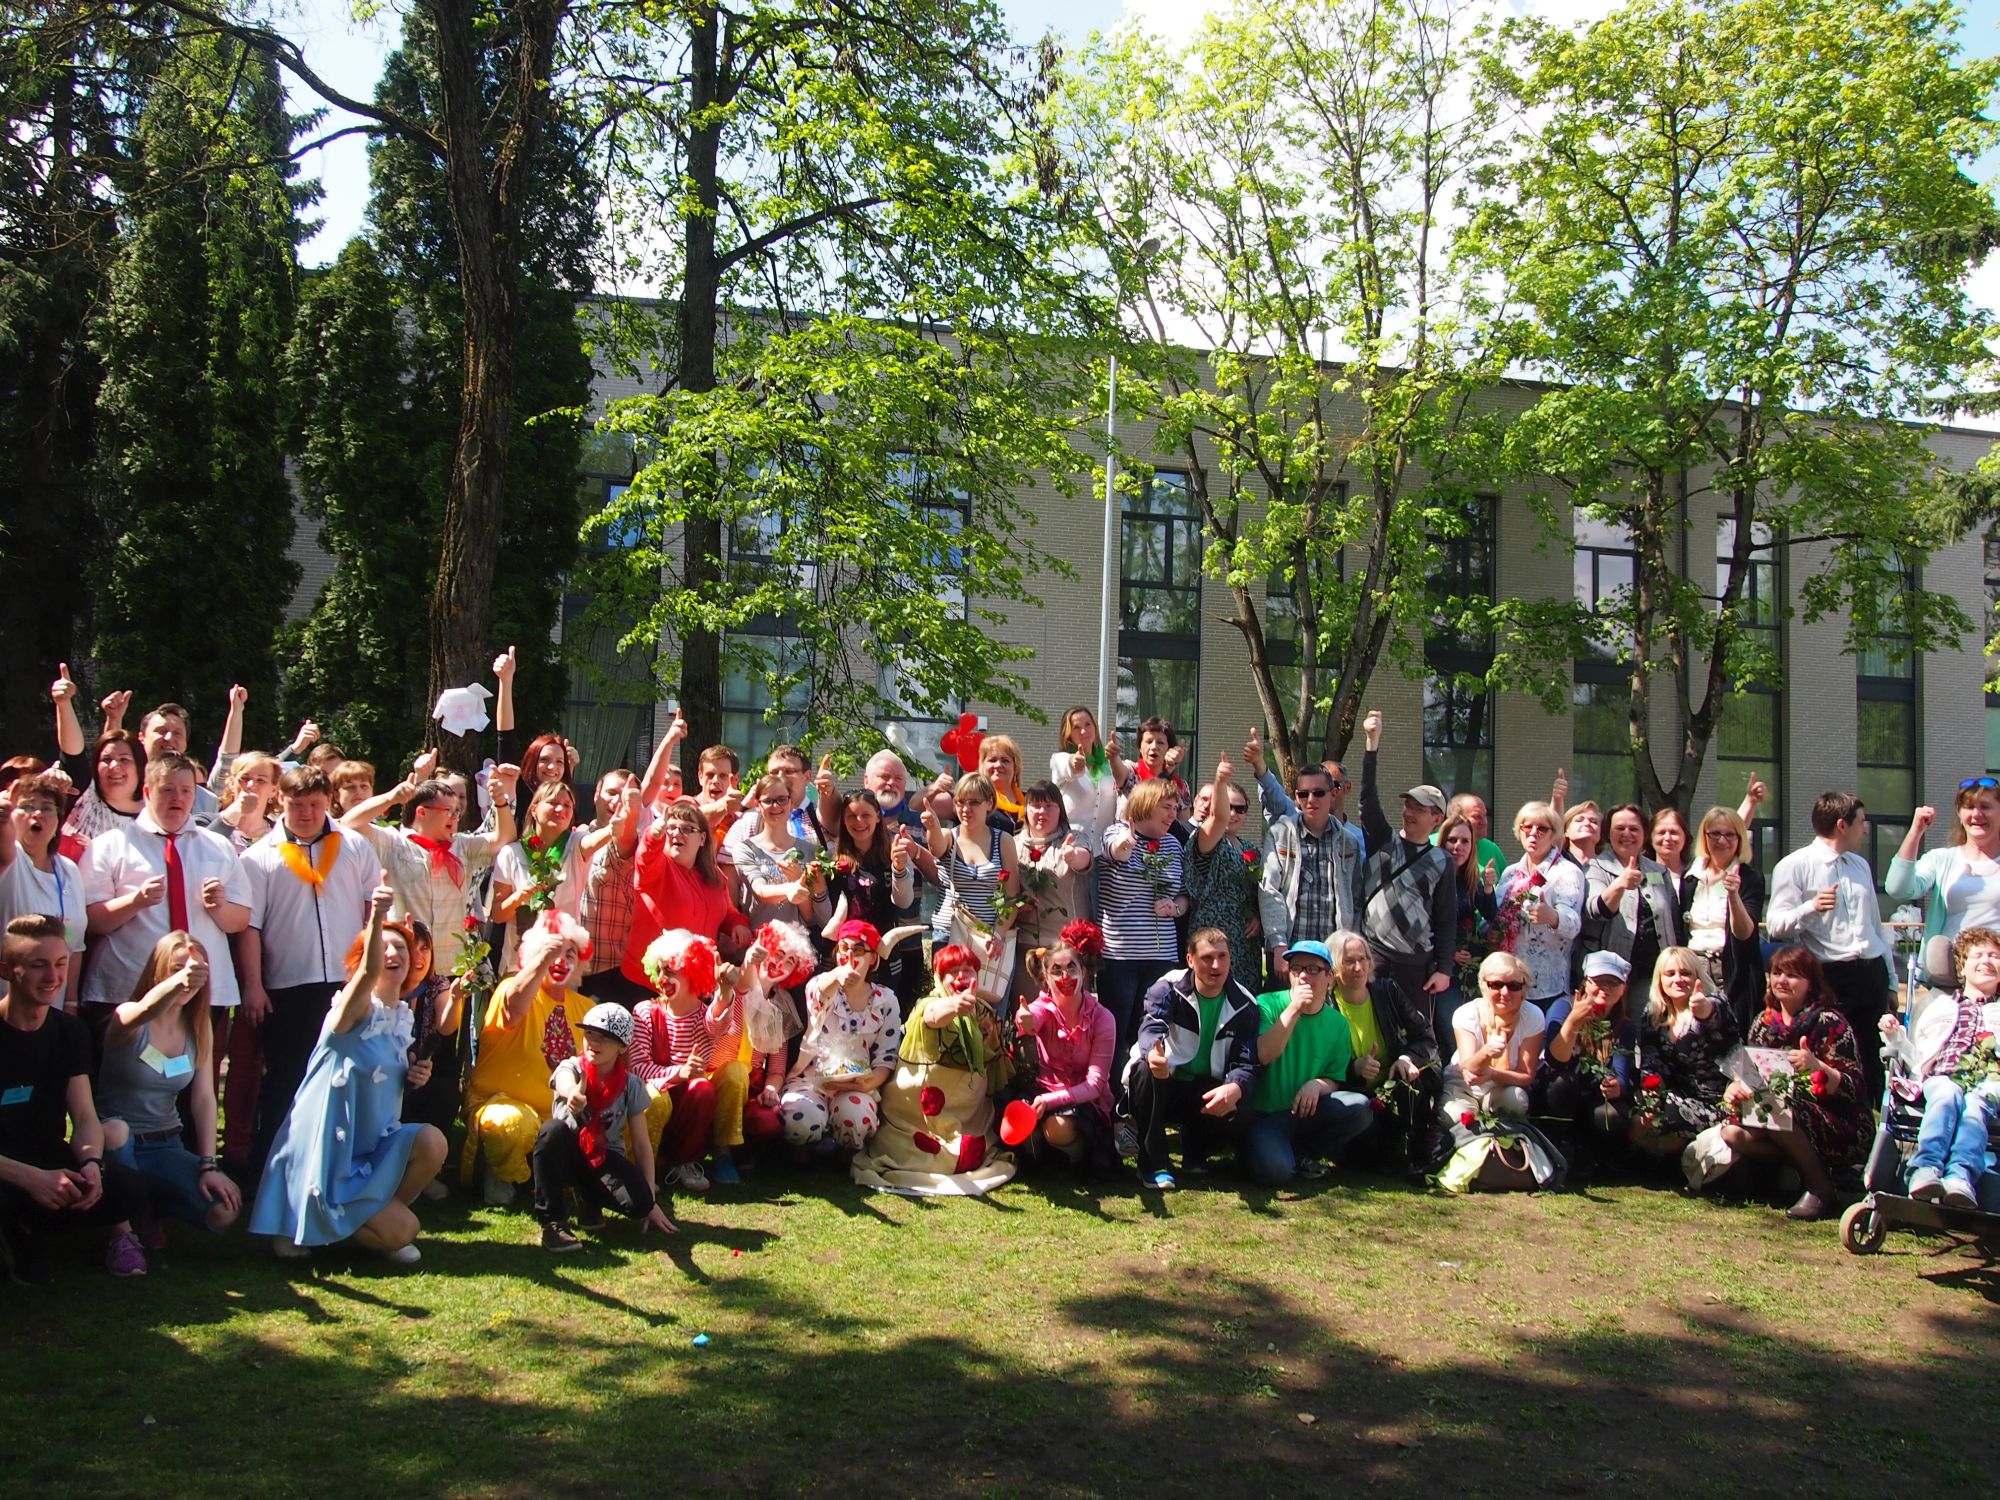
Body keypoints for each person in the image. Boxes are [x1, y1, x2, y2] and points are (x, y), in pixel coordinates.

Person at [249, 887, 447, 1263]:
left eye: (401, 948)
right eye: (383, 947)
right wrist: (378, 916)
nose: (393, 954)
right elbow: (369, 974)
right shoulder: (350, 1010)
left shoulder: (401, 1017)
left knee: (432, 1142)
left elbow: (383, 1077)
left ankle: (359, 1221)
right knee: (403, 1231)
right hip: (328, 1155)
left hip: (369, 1152)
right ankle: (310, 1221)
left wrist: (415, 1075)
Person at [235, 764, 385, 1172]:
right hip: (288, 984)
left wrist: (373, 974)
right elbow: (250, 927)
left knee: (348, 1075)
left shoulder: (354, 846)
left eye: (315, 805)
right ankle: (273, 1168)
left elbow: (373, 909)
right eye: (297, 805)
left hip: (347, 983)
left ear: (329, 801)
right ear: (280, 801)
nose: (306, 814)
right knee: (286, 1078)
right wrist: (253, 985)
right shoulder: (259, 857)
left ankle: (343, 1166)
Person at [0, 915, 146, 1280]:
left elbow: (84, 1117)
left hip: (47, 1161)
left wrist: (92, 1164)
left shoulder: (70, 1032)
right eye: (39, 965)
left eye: (60, 964)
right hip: (7, 1169)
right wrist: (31, 1179)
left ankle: (29, 1233)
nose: (53, 977)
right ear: (8, 970)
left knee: (127, 1188)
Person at [81, 752, 251, 1025]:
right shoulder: (111, 844)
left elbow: (240, 920)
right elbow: (91, 921)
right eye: (168, 790)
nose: (178, 798)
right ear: (147, 792)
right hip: (130, 988)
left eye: (186, 791)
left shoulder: (218, 846)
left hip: (203, 990)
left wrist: (220, 908)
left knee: (197, 1054)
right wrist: (135, 902)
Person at [97, 933, 241, 1241]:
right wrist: (179, 982)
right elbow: (147, 1009)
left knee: (224, 1210)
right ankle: (123, 1232)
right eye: (177, 969)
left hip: (165, 1143)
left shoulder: (198, 1026)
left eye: (196, 971)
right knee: (116, 1131)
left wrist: (208, 1164)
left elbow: (204, 1099)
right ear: (157, 972)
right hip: (118, 1143)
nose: (188, 979)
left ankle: (148, 1208)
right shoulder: (128, 1015)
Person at [850, 942, 1016, 1196]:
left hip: (964, 1106)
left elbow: (991, 1057)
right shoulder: (928, 1003)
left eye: (968, 970)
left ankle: (957, 1151)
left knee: (972, 1142)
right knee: (915, 1145)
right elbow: (933, 1016)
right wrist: (955, 1006)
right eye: (953, 972)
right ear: (939, 977)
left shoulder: (984, 1010)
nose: (961, 977)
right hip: (918, 1107)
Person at [339, 749, 520, 981]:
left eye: (457, 812)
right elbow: (348, 824)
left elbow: (504, 838)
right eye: (448, 811)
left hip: (452, 969)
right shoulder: (395, 844)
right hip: (407, 968)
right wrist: (391, 798)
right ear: (422, 812)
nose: (455, 817)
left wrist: (501, 803)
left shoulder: (463, 846)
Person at [1766, 792, 1894, 1101]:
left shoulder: (1860, 865)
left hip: (1871, 970)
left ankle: (1872, 1121)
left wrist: (1890, 979)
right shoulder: (1795, 865)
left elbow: (1875, 926)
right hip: (1831, 974)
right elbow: (1775, 926)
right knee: (1835, 1055)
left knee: (1874, 1058)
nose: (1865, 830)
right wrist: (1811, 907)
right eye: (1861, 822)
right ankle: (1835, 1120)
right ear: (1842, 825)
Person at [1725, 947, 1868, 1220]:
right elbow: (1752, 1076)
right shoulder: (1763, 1023)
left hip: (1836, 1118)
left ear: (1811, 982)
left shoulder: (1830, 1022)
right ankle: (1792, 1171)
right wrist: (1737, 1087)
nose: (1782, 980)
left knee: (1775, 1107)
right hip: (1774, 1114)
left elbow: (1855, 1088)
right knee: (1732, 1134)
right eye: (1776, 973)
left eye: (1792, 975)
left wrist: (1818, 1067)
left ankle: (1821, 1190)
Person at [463, 911, 591, 1205]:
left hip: (557, 1113)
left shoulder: (584, 1007)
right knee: (513, 1124)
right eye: (553, 952)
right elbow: (514, 1009)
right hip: (503, 1103)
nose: (560, 961)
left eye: (569, 954)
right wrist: (543, 959)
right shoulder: (511, 988)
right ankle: (499, 1171)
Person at [532, 1002, 678, 1252]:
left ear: (623, 1046)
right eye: (590, 1033)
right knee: (552, 1131)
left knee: (641, 1203)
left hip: (603, 1158)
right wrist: (572, 1094)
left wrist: (651, 1202)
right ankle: (553, 1222)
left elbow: (641, 1144)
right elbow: (564, 1081)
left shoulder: (632, 1084)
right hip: (566, 1156)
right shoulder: (571, 1067)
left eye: (605, 1037)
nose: (594, 1042)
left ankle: (589, 1198)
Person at [1124, 928, 1260, 1189]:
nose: (1216, 965)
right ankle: (1153, 1164)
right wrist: (1153, 1055)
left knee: (1242, 1105)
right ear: (1190, 960)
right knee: (1143, 1070)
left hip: (1206, 1088)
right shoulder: (1167, 987)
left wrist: (1235, 1086)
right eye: (1207, 958)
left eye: (1222, 956)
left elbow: (1245, 1062)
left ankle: (1197, 1151)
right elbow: (1151, 1026)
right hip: (1168, 1080)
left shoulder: (1245, 1004)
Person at [1879, 924, 2000, 1210]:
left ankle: (1960, 1176)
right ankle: (1926, 1169)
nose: (1986, 961)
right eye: (1978, 955)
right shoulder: (1937, 1005)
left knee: (1976, 1105)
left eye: (1994, 956)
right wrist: (1895, 1035)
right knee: (1947, 1094)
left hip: (1989, 1081)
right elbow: (1917, 1056)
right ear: (1962, 967)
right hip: (1942, 1075)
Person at [1240, 939, 1373, 1186]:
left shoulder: (1338, 1024)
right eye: (1296, 969)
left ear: (1329, 977)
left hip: (1307, 1113)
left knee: (1359, 1107)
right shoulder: (1266, 1004)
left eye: (1313, 969)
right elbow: (1264, 1054)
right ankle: (1269, 1152)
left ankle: (1304, 1153)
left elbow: (1335, 1078)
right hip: (1266, 1115)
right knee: (1277, 1173)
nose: (1303, 976)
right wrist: (1294, 1010)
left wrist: (1317, 1085)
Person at [1355, 711, 1456, 1010]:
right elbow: (1367, 800)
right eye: (1407, 805)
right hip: (1373, 957)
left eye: (1418, 809)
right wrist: (1371, 745)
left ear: (1436, 819)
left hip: (1416, 966)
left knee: (1415, 1032)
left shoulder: (1442, 861)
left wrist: (1444, 969)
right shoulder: (1382, 840)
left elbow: (1446, 919)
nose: (1408, 812)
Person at [780, 920, 904, 1156]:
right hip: (812, 1078)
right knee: (800, 1119)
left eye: (858, 950)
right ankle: (803, 1147)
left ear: (872, 958)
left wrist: (868, 1084)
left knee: (855, 1118)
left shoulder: (886, 1000)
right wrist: (837, 976)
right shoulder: (821, 984)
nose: (849, 955)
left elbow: (886, 1057)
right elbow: (818, 995)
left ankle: (845, 1151)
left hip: (855, 1084)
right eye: (844, 948)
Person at [1094, 778, 1187, 1083]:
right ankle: (1109, 1095)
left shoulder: (1173, 844)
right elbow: (1117, 852)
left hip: (1162, 955)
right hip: (1121, 955)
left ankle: (1144, 1094)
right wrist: (1126, 844)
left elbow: (1184, 895)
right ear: (1146, 805)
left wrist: (1175, 908)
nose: (1173, 814)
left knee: (1153, 1029)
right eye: (1166, 807)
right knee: (1116, 1029)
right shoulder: (1116, 832)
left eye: (1175, 808)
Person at [1010, 920, 1120, 1176]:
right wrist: (1024, 1020)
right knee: (1022, 1127)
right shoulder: (1042, 1008)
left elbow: (1094, 1086)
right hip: (1044, 1090)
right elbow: (1030, 1018)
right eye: (1056, 971)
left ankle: (1080, 1159)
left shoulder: (1103, 1018)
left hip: (1085, 1100)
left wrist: (1048, 1101)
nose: (1065, 977)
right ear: (1045, 978)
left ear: (1084, 971)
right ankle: (1047, 1155)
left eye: (1071, 967)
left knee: (1056, 1128)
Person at [618, 798, 751, 1004]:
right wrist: (654, 835)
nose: (677, 833)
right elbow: (645, 856)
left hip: (693, 986)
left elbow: (726, 911)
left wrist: (737, 924)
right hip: (649, 986)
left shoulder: (713, 875)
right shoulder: (657, 868)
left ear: (702, 838)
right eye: (671, 828)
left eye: (687, 829)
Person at [632, 929, 728, 1191]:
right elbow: (637, 1068)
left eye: (671, 970)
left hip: (686, 1108)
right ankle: (644, 1165)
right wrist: (679, 1073)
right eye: (660, 970)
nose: (663, 978)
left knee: (703, 1088)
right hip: (652, 1102)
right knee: (655, 1097)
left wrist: (726, 989)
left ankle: (685, 1161)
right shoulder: (644, 1011)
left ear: (693, 972)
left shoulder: (705, 1018)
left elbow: (719, 1023)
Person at [492, 779, 619, 973]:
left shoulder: (576, 844)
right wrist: (519, 897)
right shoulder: (511, 853)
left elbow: (592, 842)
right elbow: (497, 914)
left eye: (567, 805)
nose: (560, 809)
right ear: (534, 810)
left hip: (562, 965)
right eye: (553, 802)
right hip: (518, 966)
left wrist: (612, 829)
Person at [1885, 780, 2000, 984]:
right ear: (1959, 813)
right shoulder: (1942, 859)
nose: (1976, 814)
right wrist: (1915, 832)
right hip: (1950, 974)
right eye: (1969, 807)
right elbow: (1898, 889)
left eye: (1985, 806)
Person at [1629, 946, 1740, 1157]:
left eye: (1685, 973)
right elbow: (1650, 1064)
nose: (1678, 979)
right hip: (1675, 1095)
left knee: (1668, 1111)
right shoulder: (1653, 1015)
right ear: (1660, 980)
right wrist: (1651, 1096)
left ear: (1697, 976)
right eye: (1670, 974)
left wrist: (1703, 1010)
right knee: (1639, 1112)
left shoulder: (1715, 1002)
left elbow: (1716, 1016)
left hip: (1717, 1102)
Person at [1533, 952, 1637, 1177]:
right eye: (1598, 981)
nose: (1605, 988)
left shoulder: (1625, 1025)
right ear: (1586, 982)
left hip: (1593, 1096)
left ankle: (1595, 1156)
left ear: (1623, 989)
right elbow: (1554, 1061)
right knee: (1562, 1083)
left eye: (1613, 982)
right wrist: (1573, 1023)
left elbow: (1622, 1074)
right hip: (1558, 1094)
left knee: (1613, 1115)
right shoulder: (1563, 1007)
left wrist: (1616, 1086)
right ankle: (1556, 1148)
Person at [1258, 760, 1363, 982]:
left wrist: (1349, 946)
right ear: (1296, 797)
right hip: (1289, 950)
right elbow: (1269, 890)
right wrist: (1278, 944)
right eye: (1303, 794)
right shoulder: (1279, 834)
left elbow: (1355, 899)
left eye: (1318, 793)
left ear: (1333, 794)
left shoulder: (1349, 842)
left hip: (1332, 953)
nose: (1311, 799)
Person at [0, 773, 87, 1006]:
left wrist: (70, 1005)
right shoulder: (9, 859)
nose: (37, 814)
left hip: (53, 1012)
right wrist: (5, 802)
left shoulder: (69, 870)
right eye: (27, 806)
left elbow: (75, 946)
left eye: (47, 808)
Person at [1583, 803, 1686, 998]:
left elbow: (1675, 923)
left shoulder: (1659, 871)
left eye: (1634, 829)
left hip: (1657, 973)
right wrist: (1619, 884)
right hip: (1611, 975)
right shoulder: (1595, 867)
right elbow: (1596, 911)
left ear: (1645, 834)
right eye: (1620, 828)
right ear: (1608, 833)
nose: (1627, 834)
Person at [1494, 801, 1585, 1015]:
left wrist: (1552, 916)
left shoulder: (1566, 872)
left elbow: (1573, 925)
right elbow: (1495, 916)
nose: (1533, 833)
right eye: (1527, 826)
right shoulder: (1510, 873)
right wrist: (1490, 930)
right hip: (1506, 982)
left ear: (1554, 835)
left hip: (1545, 985)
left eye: (1542, 828)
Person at [1681, 807, 1766, 1032]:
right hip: (1695, 967)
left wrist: (1733, 896)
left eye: (1730, 834)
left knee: (1731, 1033)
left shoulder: (1749, 877)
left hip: (1732, 970)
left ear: (1740, 839)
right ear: (1704, 836)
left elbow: (1745, 933)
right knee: (1695, 1033)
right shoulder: (1691, 876)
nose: (1722, 840)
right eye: (1715, 834)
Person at [1006, 781, 1090, 1003]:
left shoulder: (1074, 838)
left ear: (1060, 810)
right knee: (1028, 1013)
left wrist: (1073, 856)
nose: (1041, 812)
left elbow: (1084, 859)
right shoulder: (1012, 844)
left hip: (1067, 948)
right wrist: (1018, 902)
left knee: (1069, 1015)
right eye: (1035, 806)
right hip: (1026, 948)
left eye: (1049, 806)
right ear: (1026, 810)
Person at [1184, 752, 1259, 981]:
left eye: (1240, 809)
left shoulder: (1250, 849)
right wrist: (1219, 782)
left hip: (1244, 944)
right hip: (1211, 938)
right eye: (1229, 806)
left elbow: (1256, 893)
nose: (1233, 814)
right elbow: (1218, 819)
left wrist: (1257, 917)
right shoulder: (1206, 839)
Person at [1446, 951, 1546, 1120]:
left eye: (1514, 986)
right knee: (1456, 1117)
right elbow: (1469, 1068)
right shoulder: (1466, 1014)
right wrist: (1487, 1052)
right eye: (1497, 984)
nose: (1505, 992)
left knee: (1516, 1102)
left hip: (1503, 1087)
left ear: (1523, 989)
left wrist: (1492, 1074)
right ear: (1484, 986)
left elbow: (1526, 1076)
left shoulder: (1533, 1016)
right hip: (1463, 1086)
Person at [1243, 726, 1365, 862]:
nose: (1312, 798)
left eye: (1321, 791)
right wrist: (1259, 765)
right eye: (1305, 794)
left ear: (1346, 788)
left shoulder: (1358, 839)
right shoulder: (1293, 823)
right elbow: (1275, 799)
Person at [729, 772, 833, 931]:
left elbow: (811, 917)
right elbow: (760, 890)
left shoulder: (811, 851)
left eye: (782, 799)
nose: (776, 806)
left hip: (797, 942)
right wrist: (789, 888)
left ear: (791, 803)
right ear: (757, 805)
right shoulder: (745, 849)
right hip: (760, 940)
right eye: (768, 801)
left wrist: (801, 882)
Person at [1049, 706, 1128, 856]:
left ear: (1095, 728)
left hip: (1103, 854)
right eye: (1076, 728)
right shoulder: (1059, 759)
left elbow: (1126, 781)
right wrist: (1075, 763)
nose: (1083, 731)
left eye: (1088, 725)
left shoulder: (1109, 766)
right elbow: (1069, 765)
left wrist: (1115, 759)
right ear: (1067, 735)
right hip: (1071, 850)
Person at [1648, 806, 1693, 882]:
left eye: (1673, 832)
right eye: (1661, 832)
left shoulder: (1695, 875)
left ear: (1685, 837)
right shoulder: (1643, 875)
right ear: (1650, 838)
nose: (1668, 838)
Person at [1561, 800, 1602, 869]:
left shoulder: (1609, 865)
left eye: (1594, 822)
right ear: (1566, 831)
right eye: (1579, 820)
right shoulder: (1557, 861)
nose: (1587, 823)